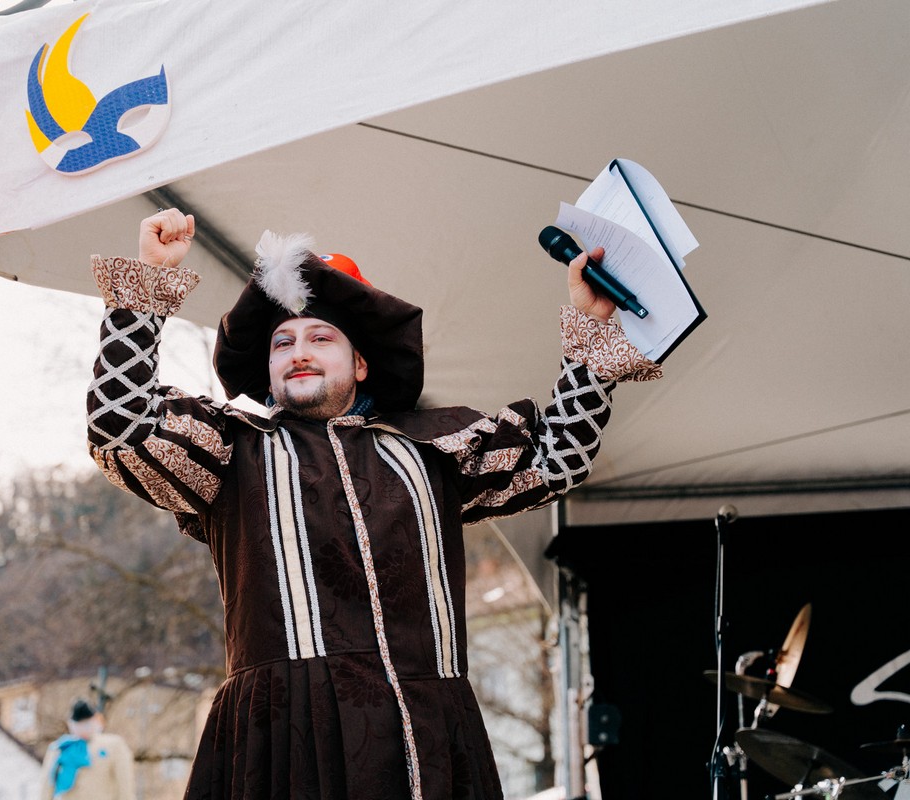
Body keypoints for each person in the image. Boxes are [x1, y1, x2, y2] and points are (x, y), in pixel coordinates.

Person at [86, 209, 661, 800]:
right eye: (282, 342)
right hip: (284, 747)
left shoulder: (435, 446)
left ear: (360, 362)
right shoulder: (231, 453)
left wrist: (590, 337)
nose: (298, 351)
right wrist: (148, 286)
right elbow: (118, 427)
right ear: (266, 370)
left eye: (320, 337)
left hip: (431, 743)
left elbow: (558, 455)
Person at [39, 698, 136, 800]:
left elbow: (125, 783)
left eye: (86, 724)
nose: (82, 730)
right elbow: (47, 785)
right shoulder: (60, 748)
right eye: (78, 726)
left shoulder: (113, 745)